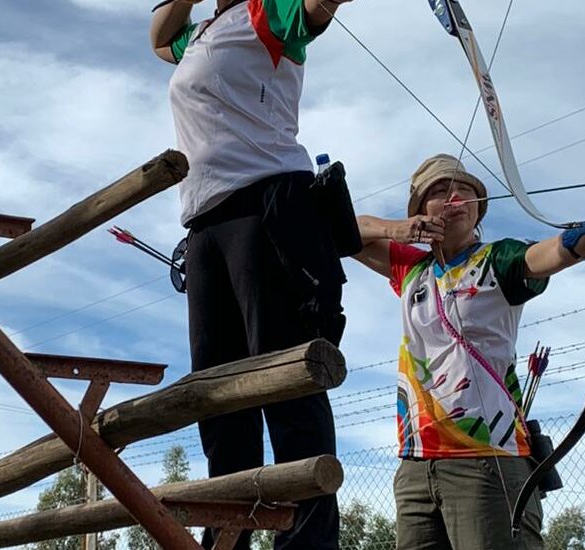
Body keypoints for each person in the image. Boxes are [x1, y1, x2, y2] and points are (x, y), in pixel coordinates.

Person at [353, 154, 585, 549]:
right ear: (420, 211)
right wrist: (394, 229)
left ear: (478, 208)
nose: (452, 197)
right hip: (416, 465)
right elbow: (339, 231)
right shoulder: (411, 270)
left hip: (487, 461)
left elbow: (552, 253)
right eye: (438, 191)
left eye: (463, 190)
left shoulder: (498, 259)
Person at [150, 0, 355, 548]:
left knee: (285, 384)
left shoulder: (268, 12)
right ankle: (227, 538)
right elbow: (157, 37)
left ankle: (308, 543)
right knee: (218, 400)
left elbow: (317, 6)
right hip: (205, 224)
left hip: (268, 208)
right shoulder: (198, 33)